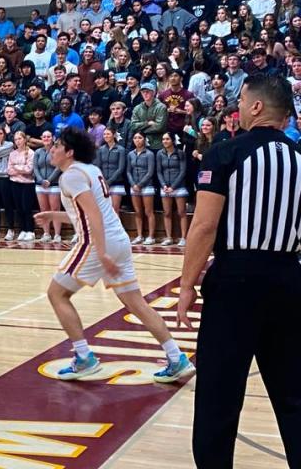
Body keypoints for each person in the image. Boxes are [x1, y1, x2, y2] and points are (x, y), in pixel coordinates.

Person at [178, 75, 301, 468]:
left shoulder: (226, 153)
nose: (238, 105)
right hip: (288, 279)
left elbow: (204, 226)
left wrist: (186, 286)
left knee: (218, 393)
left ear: (257, 107)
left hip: (235, 282)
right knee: (293, 393)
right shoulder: (300, 160)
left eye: (242, 99)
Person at [35, 128, 194, 382]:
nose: (52, 149)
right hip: (119, 240)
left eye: (57, 146)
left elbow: (94, 217)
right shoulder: (92, 171)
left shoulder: (71, 177)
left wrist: (100, 251)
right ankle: (176, 357)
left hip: (100, 243)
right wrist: (54, 216)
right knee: (136, 303)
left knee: (57, 294)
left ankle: (84, 358)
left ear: (70, 152)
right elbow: (91, 213)